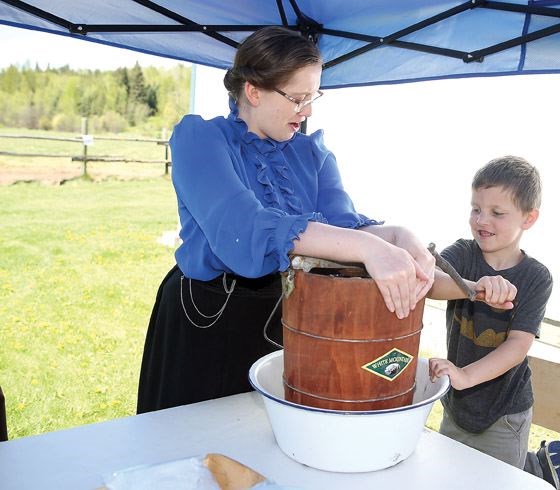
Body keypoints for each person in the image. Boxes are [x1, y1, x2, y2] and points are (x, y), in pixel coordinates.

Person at [137, 26, 435, 414]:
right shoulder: (201, 141)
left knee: (265, 439)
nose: (307, 111)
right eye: (297, 98)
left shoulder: (313, 155)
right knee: (192, 444)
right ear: (253, 90)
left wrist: (397, 236)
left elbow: (343, 231)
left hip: (282, 317)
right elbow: (243, 230)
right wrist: (368, 247)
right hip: (206, 320)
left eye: (313, 98)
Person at [427, 156, 560, 490]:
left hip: (505, 414)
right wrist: (475, 288)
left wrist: (466, 375)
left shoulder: (536, 277)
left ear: (529, 218)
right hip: (456, 406)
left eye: (497, 213)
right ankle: (536, 465)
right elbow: (431, 284)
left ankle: (535, 469)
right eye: (476, 209)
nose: (482, 220)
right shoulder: (463, 254)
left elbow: (517, 347)